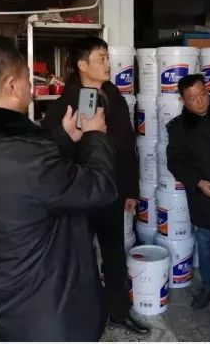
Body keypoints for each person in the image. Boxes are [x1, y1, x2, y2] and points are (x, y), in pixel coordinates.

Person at [0, 34, 118, 341]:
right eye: (27, 79)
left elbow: (22, 186)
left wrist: (61, 139)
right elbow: (100, 188)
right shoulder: (29, 159)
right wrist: (95, 137)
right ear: (11, 85)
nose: (31, 87)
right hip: (49, 316)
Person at [42, 37, 150, 334]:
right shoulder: (65, 104)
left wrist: (130, 190)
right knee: (79, 258)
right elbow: (49, 153)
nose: (108, 64)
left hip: (110, 191)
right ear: (82, 65)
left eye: (107, 57)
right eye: (101, 58)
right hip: (79, 195)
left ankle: (119, 311)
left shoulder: (115, 96)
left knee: (114, 252)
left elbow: (127, 147)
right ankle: (80, 315)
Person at [166, 74, 210, 315]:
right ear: (182, 100)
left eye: (203, 94)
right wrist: (198, 182)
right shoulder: (178, 128)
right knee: (206, 244)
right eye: (193, 98)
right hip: (203, 197)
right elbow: (175, 162)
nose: (201, 101)